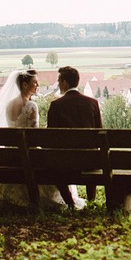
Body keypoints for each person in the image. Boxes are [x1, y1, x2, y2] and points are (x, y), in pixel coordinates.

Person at [0, 69, 73, 209]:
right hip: (29, 155)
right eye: (35, 83)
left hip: (11, 155)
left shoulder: (9, 105)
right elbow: (34, 135)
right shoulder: (31, 106)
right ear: (24, 85)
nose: (37, 86)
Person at [47, 65, 103, 205]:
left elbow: (50, 138)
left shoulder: (56, 105)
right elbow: (99, 134)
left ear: (65, 82)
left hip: (65, 162)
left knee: (54, 171)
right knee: (90, 155)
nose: (58, 84)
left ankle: (70, 203)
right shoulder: (93, 103)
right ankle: (91, 201)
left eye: (59, 81)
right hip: (90, 161)